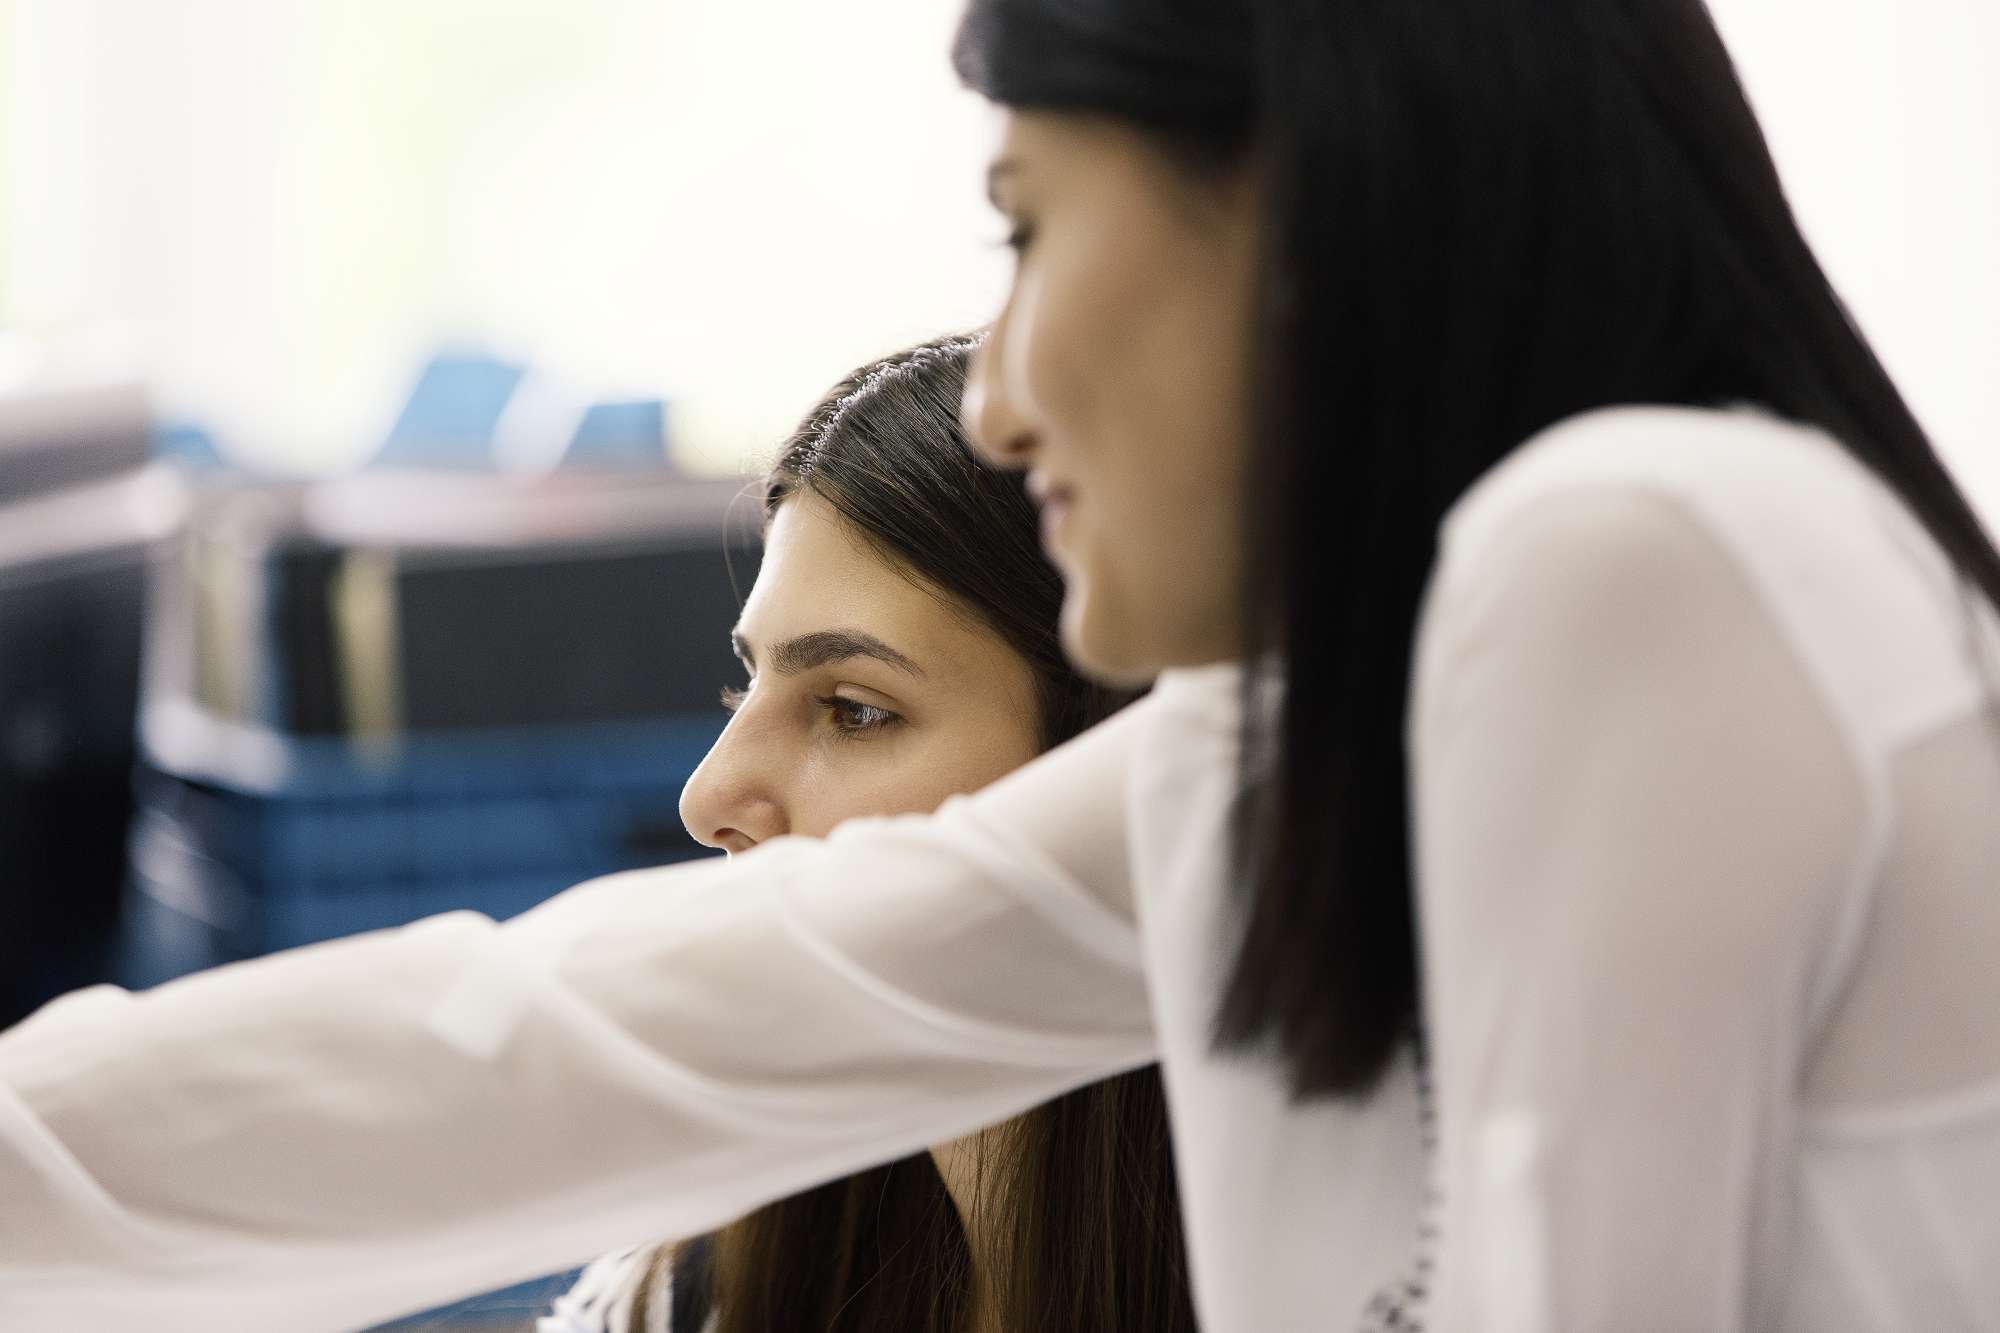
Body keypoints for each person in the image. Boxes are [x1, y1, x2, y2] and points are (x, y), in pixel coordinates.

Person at [3, 1, 1998, 1329]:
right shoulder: (1303, 754)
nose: (1012, 392)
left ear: (1305, 201)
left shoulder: (1633, 545)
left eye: (1026, 231)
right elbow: (557, 1041)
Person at [540, 335, 1194, 1333]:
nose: (706, 794)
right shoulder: (703, 1282)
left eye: (850, 709)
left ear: (1098, 768)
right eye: (743, 681)